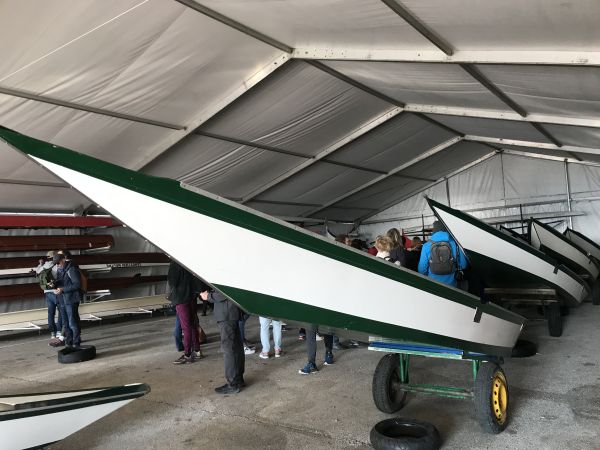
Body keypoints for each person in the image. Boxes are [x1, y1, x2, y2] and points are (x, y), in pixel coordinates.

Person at [200, 289, 245, 394]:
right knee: (236, 347)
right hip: (231, 312)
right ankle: (238, 379)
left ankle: (233, 384)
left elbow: (226, 291)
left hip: (226, 313)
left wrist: (209, 296)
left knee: (229, 349)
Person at [168, 262, 203, 364]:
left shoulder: (174, 264)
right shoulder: (188, 261)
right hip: (192, 297)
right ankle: (197, 351)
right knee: (193, 324)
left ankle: (187, 354)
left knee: (186, 327)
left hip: (181, 298)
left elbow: (173, 283)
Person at [418, 221, 467, 287]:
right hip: (452, 285)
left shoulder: (426, 246)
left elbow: (421, 269)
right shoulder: (455, 244)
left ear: (434, 230)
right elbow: (463, 265)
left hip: (433, 284)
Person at [52, 253, 82, 348]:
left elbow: (77, 284)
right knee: (65, 324)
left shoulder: (71, 269)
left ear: (63, 260)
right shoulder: (61, 270)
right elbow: (62, 283)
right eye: (56, 264)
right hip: (62, 300)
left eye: (58, 263)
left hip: (71, 300)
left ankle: (76, 343)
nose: (57, 265)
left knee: (72, 323)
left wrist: (63, 289)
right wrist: (54, 284)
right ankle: (69, 342)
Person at [35, 251, 64, 346]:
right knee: (61, 312)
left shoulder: (43, 266)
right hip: (56, 292)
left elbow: (37, 272)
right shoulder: (55, 265)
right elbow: (60, 277)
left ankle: (52, 333)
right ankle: (59, 332)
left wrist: (40, 264)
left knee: (50, 313)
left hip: (47, 293)